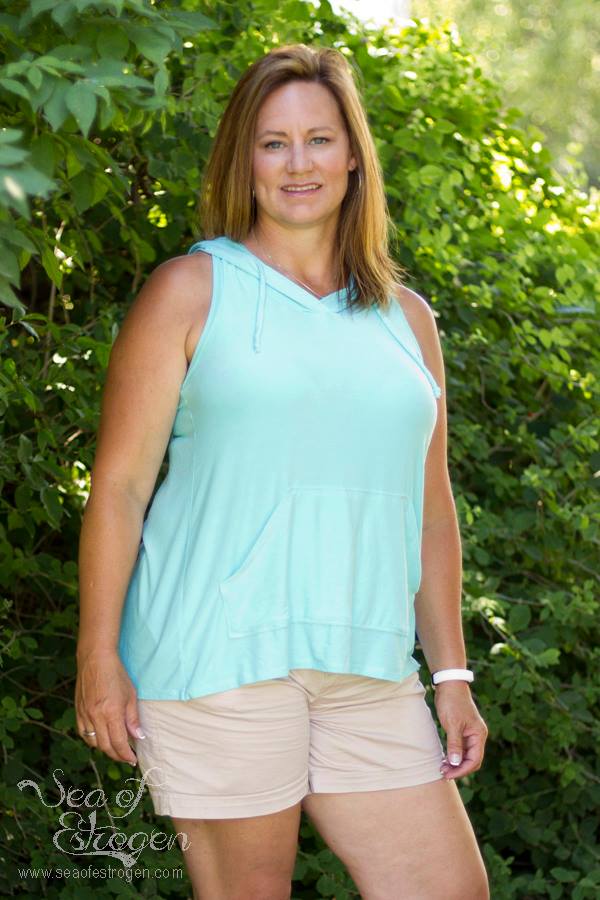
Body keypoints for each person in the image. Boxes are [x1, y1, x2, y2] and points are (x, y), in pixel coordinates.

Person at [76, 42, 490, 900]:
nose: (298, 163)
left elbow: (430, 509)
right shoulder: (189, 292)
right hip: (216, 660)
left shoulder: (406, 320)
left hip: (369, 669)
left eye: (319, 139)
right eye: (273, 142)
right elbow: (117, 487)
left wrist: (451, 676)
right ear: (246, 160)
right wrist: (97, 656)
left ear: (353, 157)